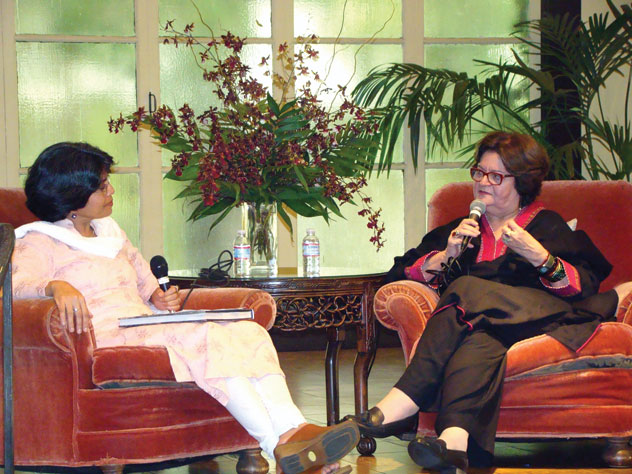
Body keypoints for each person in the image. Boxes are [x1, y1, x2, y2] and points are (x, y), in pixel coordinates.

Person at [11, 142, 359, 474]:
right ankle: (278, 446)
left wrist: (158, 296)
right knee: (206, 338)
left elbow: (145, 283)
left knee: (248, 331)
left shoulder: (110, 233)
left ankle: (295, 430)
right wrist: (54, 286)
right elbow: (14, 285)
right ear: (72, 196)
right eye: (102, 187)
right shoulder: (39, 240)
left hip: (141, 323)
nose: (111, 191)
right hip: (103, 336)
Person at [345, 131, 632, 474]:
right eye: (479, 172)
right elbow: (398, 273)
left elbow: (583, 287)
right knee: (480, 340)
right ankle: (454, 444)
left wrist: (540, 257)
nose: (483, 182)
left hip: (543, 317)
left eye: (496, 176)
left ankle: (405, 400)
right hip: (492, 328)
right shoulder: (461, 229)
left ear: (521, 182)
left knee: (466, 288)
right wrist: (444, 255)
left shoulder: (546, 224)